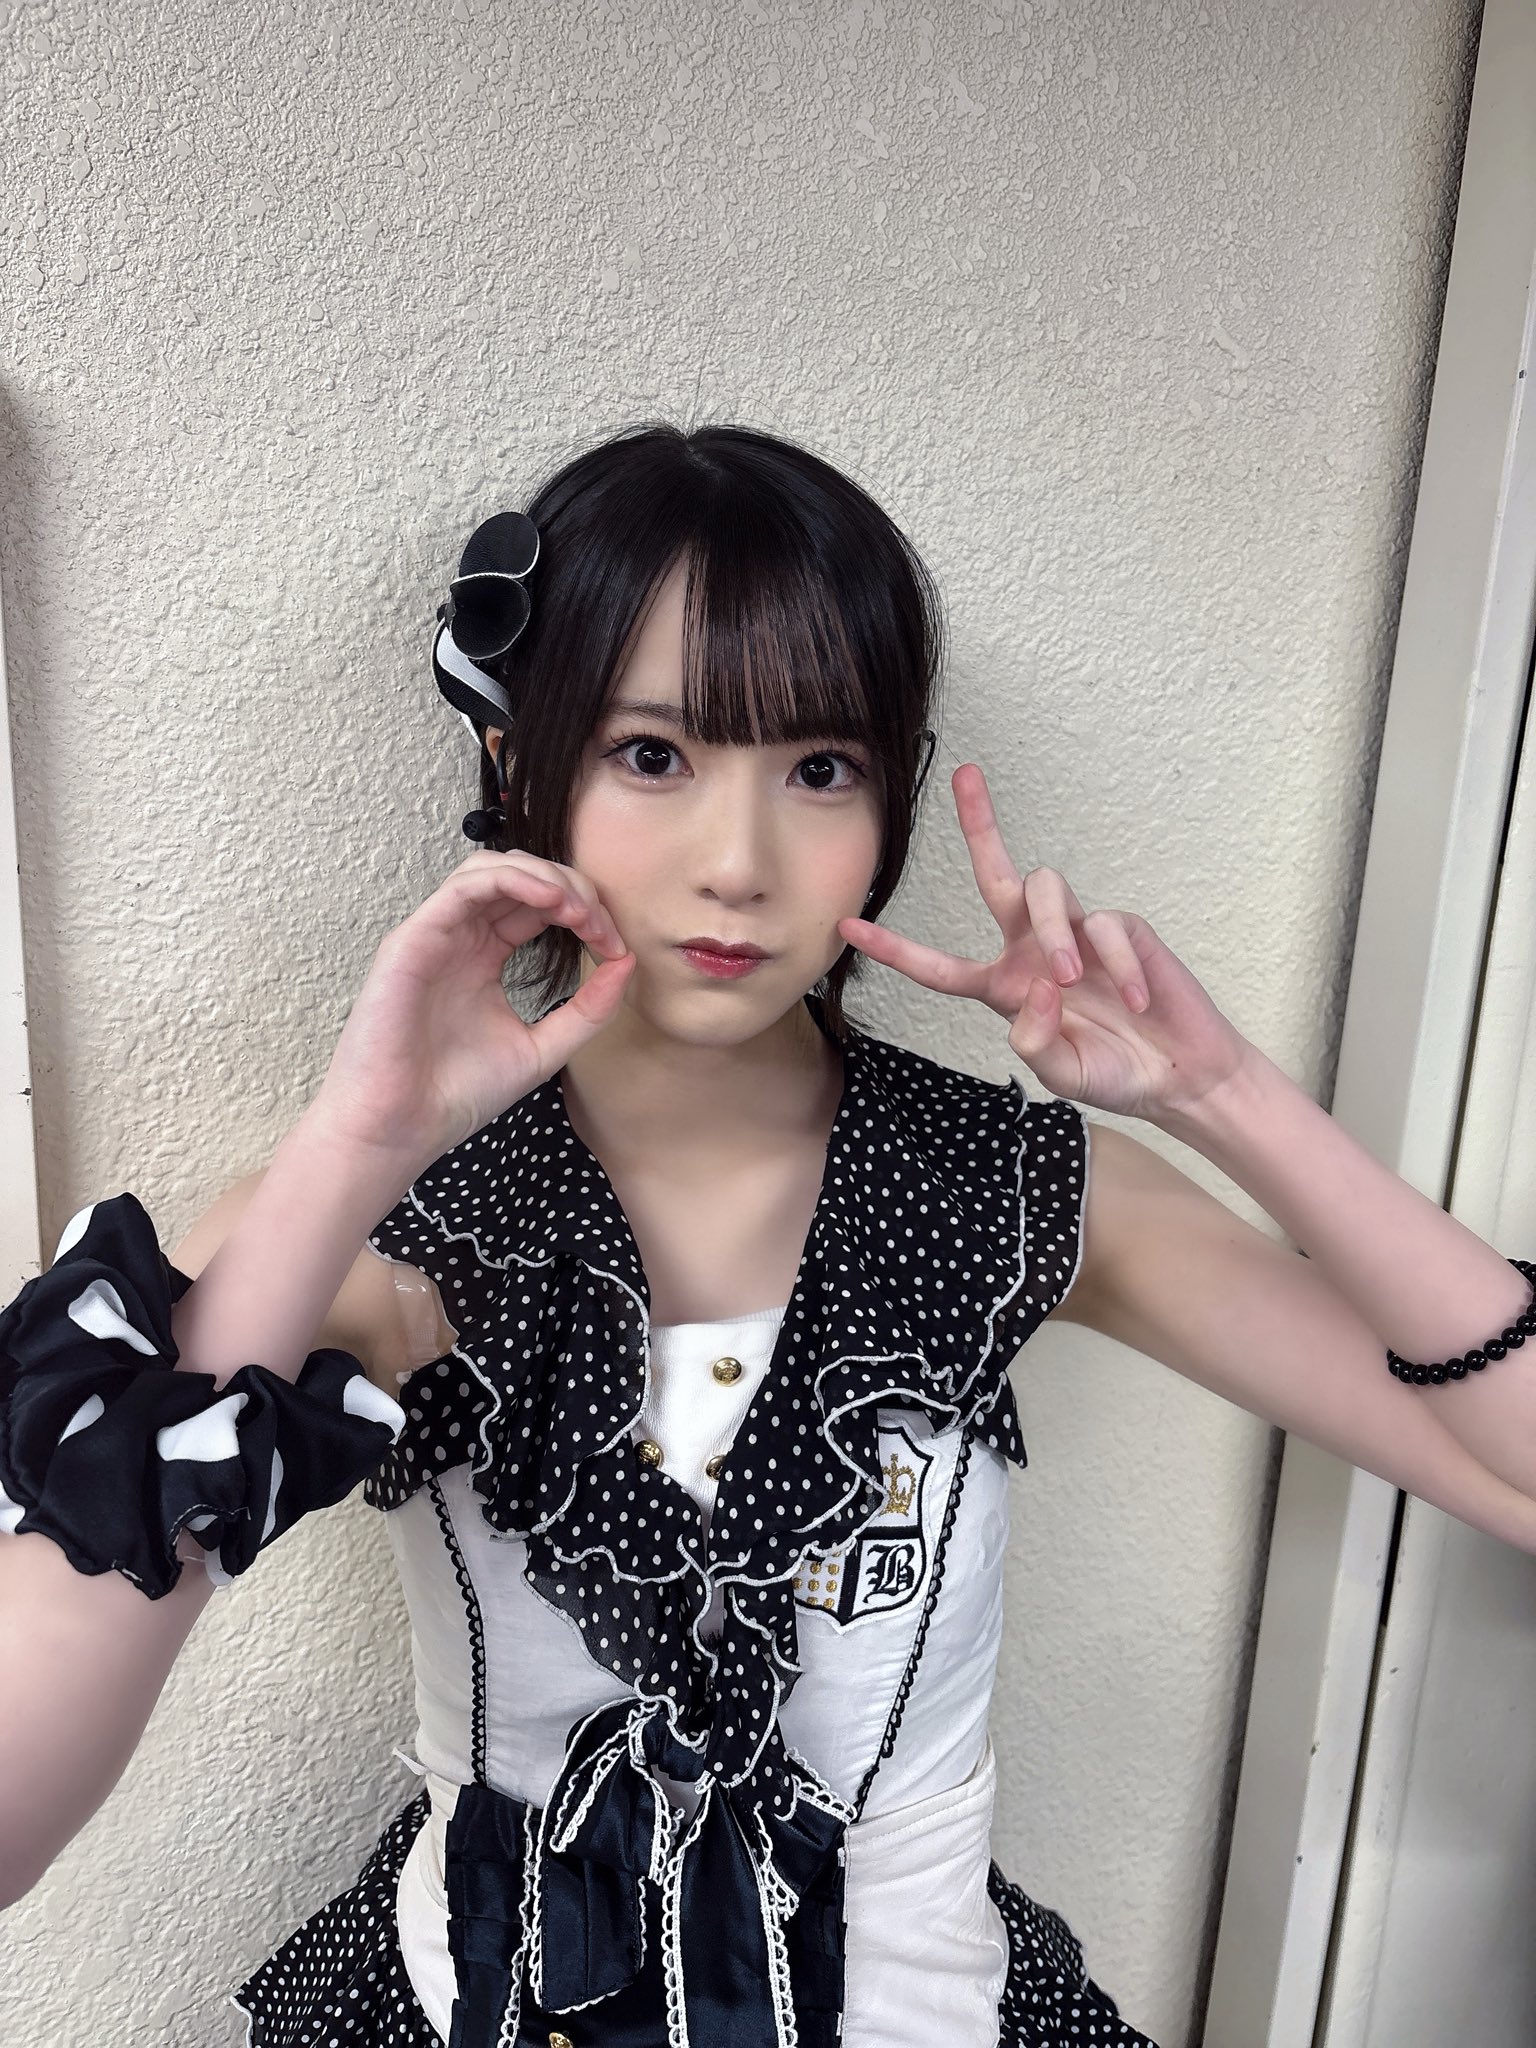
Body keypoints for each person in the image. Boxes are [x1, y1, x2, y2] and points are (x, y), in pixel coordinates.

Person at [3, 422, 1535, 2048]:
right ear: (522, 768)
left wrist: (1224, 1097)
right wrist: (356, 1149)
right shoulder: (397, 1219)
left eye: (819, 769)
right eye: (651, 755)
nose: (737, 866)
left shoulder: (1007, 1190)